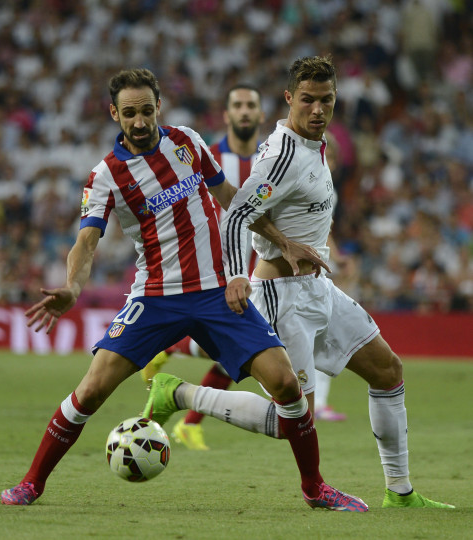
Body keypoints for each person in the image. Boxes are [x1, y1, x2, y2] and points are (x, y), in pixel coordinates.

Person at [0, 67, 367, 511]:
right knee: (92, 390)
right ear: (114, 113)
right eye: (130, 113)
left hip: (217, 293)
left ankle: (316, 489)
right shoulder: (107, 176)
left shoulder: (187, 143)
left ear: (160, 107)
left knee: (287, 384)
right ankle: (31, 484)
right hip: (156, 297)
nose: (140, 121)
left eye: (147, 110)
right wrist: (73, 288)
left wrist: (285, 241)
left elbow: (233, 197)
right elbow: (86, 240)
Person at [145, 56, 454, 509]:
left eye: (326, 100)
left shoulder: (317, 144)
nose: (317, 109)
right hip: (281, 297)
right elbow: (236, 215)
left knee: (388, 371)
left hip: (319, 290)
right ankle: (180, 393)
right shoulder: (281, 155)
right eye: (307, 100)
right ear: (289, 98)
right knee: (296, 418)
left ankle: (401, 493)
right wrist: (237, 274)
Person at [142, 84, 345, 451]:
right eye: (238, 105)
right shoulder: (209, 156)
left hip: (267, 265)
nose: (246, 111)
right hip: (222, 267)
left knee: (243, 352)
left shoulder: (274, 156)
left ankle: (182, 393)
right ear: (227, 114)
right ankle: (179, 379)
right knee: (243, 351)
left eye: (252, 104)